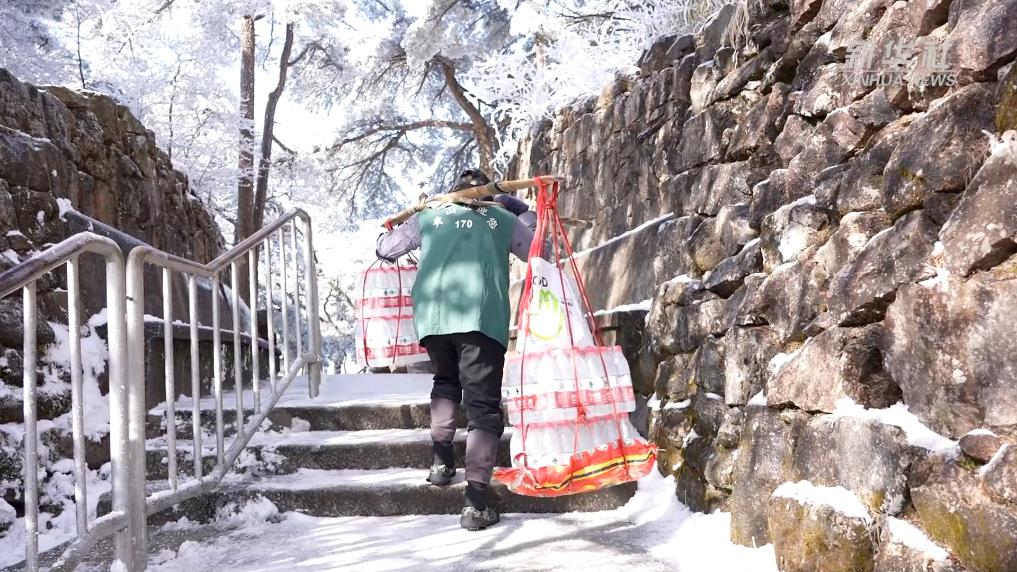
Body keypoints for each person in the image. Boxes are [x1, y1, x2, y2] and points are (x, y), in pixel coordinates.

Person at [375, 168, 534, 531]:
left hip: (433, 319)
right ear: (489, 194)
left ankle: (441, 462)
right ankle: (476, 502)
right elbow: (541, 251)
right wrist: (524, 213)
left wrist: (391, 229)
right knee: (482, 409)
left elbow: (385, 249)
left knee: (446, 382)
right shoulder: (501, 217)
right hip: (480, 317)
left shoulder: (429, 215)